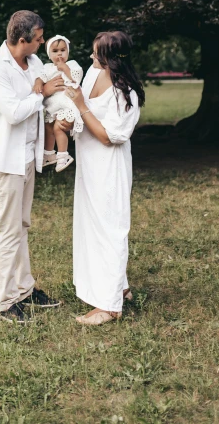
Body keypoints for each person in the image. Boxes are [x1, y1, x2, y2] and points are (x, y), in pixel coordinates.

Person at [0, 10, 66, 325]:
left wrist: (42, 90)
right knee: (7, 230)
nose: (43, 44)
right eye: (39, 39)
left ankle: (26, 290)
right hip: (3, 157)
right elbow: (14, 113)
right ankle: (6, 303)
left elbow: (47, 82)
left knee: (22, 226)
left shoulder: (34, 63)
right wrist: (40, 93)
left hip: (26, 156)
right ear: (22, 40)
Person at [65, 30, 145, 325]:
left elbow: (109, 137)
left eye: (96, 52)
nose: (90, 55)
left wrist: (82, 105)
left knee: (110, 227)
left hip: (109, 167)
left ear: (110, 58)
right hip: (90, 166)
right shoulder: (92, 74)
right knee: (94, 226)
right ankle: (119, 287)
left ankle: (109, 306)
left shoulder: (127, 95)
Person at [32, 35, 84, 172]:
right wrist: (38, 83)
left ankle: (63, 156)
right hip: (53, 105)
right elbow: (41, 77)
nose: (60, 53)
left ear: (68, 51)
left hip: (67, 103)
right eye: (55, 51)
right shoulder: (47, 67)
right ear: (49, 54)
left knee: (58, 128)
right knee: (48, 127)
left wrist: (65, 68)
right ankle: (49, 154)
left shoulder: (72, 64)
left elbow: (77, 77)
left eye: (63, 50)